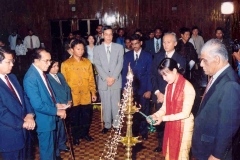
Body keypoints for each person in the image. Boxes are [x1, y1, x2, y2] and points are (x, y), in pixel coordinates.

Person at [192, 39, 240, 160]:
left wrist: (217, 155)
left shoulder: (230, 84)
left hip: (213, 151)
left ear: (217, 59)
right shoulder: (218, 77)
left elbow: (228, 127)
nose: (201, 64)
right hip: (206, 146)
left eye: (204, 60)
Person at [23, 48, 67, 160]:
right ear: (36, 60)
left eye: (50, 61)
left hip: (50, 116)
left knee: (51, 149)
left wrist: (57, 104)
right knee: (47, 151)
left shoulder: (40, 72)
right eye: (46, 61)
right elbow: (37, 104)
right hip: (43, 119)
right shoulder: (31, 77)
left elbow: (48, 92)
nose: (49, 64)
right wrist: (57, 111)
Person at [148, 58, 195, 160]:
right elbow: (165, 107)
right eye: (162, 75)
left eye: (166, 74)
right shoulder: (169, 86)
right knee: (170, 154)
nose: (164, 78)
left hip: (184, 126)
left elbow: (185, 114)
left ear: (174, 71)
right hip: (172, 123)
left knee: (182, 156)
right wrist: (156, 115)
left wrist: (163, 118)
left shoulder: (188, 87)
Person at [151, 32, 186, 152]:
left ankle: (172, 146)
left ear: (175, 43)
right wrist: (157, 93)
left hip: (174, 97)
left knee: (172, 121)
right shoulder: (157, 56)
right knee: (160, 120)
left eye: (168, 42)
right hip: (159, 95)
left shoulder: (181, 59)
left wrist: (169, 95)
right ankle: (161, 145)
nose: (165, 44)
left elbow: (181, 80)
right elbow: (153, 76)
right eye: (164, 42)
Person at [0, 48, 35, 160]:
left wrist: (30, 114)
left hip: (25, 132)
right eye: (8, 62)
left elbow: (23, 96)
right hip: (10, 136)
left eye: (12, 61)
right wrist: (22, 123)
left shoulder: (12, 77)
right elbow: (2, 112)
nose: (12, 65)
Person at [61, 39, 97, 146]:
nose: (81, 51)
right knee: (74, 118)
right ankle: (75, 137)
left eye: (82, 49)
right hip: (73, 96)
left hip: (86, 94)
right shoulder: (65, 64)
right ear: (72, 50)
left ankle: (85, 134)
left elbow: (91, 79)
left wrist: (93, 93)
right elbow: (64, 83)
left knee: (86, 116)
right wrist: (66, 97)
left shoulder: (87, 62)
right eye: (78, 49)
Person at [93, 26, 124, 134]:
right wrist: (106, 78)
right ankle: (107, 124)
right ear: (102, 35)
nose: (108, 36)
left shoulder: (119, 47)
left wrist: (113, 78)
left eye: (110, 34)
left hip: (116, 80)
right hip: (103, 81)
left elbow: (120, 63)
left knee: (116, 104)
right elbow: (97, 64)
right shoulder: (97, 49)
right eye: (106, 34)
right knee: (105, 104)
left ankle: (116, 124)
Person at [122, 34, 152, 140]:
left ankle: (144, 132)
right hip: (131, 89)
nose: (134, 46)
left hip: (143, 88)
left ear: (141, 43)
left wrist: (149, 90)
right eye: (132, 44)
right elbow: (124, 73)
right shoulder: (127, 55)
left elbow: (150, 74)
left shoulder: (148, 56)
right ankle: (133, 132)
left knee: (143, 110)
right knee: (132, 111)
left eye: (136, 43)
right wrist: (124, 88)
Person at [46, 60, 72, 159]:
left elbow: (67, 88)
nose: (56, 68)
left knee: (62, 128)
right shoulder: (47, 78)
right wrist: (58, 106)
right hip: (57, 107)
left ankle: (62, 144)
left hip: (65, 105)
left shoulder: (60, 75)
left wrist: (69, 99)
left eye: (57, 66)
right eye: (54, 66)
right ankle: (56, 152)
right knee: (56, 130)